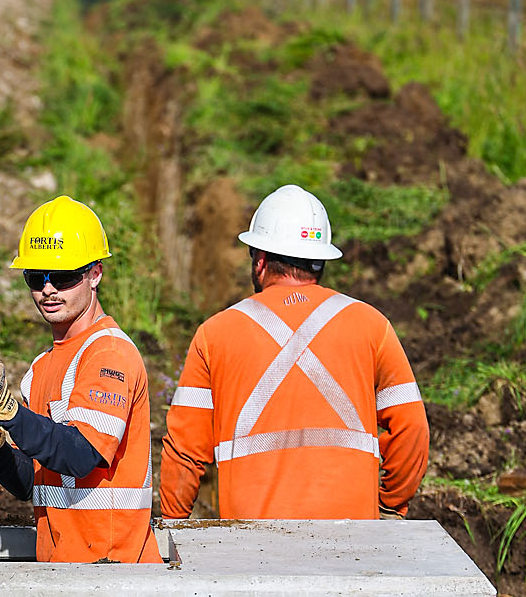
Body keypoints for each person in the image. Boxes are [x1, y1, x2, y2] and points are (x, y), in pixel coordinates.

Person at [160, 184, 428, 522]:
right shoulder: (372, 325)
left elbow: (184, 451)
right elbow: (412, 428)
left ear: (260, 260)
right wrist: (391, 505)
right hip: (354, 539)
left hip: (251, 544)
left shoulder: (214, 335)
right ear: (320, 262)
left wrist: (174, 523)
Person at [0, 195, 161, 564]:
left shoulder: (108, 353)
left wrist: (10, 412)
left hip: (114, 571)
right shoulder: (42, 368)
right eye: (36, 277)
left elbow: (81, 455)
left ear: (95, 274)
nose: (48, 289)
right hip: (63, 568)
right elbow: (33, 483)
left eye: (63, 277)